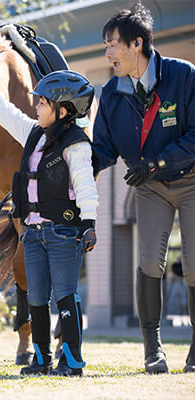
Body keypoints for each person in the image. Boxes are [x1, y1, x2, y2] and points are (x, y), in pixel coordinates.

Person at [0, 64, 98, 377]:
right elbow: (8, 115)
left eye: (42, 103)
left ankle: (72, 361)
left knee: (65, 294)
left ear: (63, 110)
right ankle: (40, 359)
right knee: (36, 297)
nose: (36, 107)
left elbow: (85, 184)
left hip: (64, 233)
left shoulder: (77, 144)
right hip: (33, 233)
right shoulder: (34, 134)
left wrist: (89, 223)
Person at [93, 2, 195, 374]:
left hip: (191, 181)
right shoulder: (109, 94)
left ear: (137, 44)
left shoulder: (184, 76)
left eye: (112, 45)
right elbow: (103, 149)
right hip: (151, 188)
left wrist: (158, 161)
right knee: (150, 261)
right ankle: (153, 349)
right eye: (105, 46)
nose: (107, 53)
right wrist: (79, 166)